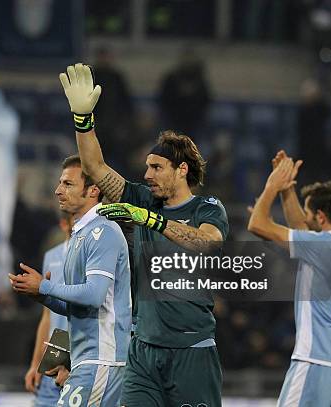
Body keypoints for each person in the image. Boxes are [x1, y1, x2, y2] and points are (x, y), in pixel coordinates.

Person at [59, 63, 229, 406]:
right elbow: (95, 168)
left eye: (156, 167)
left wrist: (154, 221)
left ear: (181, 170)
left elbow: (207, 243)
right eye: (147, 166)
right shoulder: (144, 199)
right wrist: (83, 120)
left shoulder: (207, 207)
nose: (146, 173)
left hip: (192, 349)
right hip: (144, 351)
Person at [9, 155, 131, 406]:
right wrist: (42, 296)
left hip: (101, 357)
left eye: (68, 184)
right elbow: (79, 307)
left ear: (93, 190)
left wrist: (45, 286)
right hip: (83, 357)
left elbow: (95, 295)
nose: (58, 190)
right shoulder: (79, 235)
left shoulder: (102, 231)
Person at [248, 155, 331, 407]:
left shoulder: (320, 246)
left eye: (309, 213)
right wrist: (289, 188)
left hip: (315, 362)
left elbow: (257, 224)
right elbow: (303, 227)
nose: (305, 218)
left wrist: (273, 186)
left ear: (321, 217)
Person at [24, 212, 72, 405]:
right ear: (63, 224)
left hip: (79, 357)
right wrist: (35, 364)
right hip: (51, 357)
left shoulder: (94, 256)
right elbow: (47, 316)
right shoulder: (52, 256)